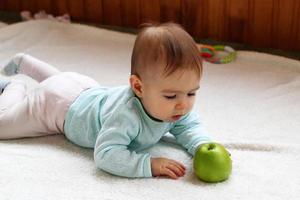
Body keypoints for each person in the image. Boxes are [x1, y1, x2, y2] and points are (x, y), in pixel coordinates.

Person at [0, 23, 212, 179]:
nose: (183, 104)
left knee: (59, 81)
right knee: (2, 124)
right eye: (171, 96)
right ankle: (14, 86)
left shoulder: (176, 108)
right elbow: (105, 155)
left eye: (191, 93)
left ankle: (25, 63)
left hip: (82, 87)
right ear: (138, 87)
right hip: (57, 106)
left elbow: (188, 127)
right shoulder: (126, 116)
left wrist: (201, 145)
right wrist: (148, 164)